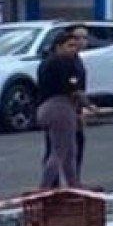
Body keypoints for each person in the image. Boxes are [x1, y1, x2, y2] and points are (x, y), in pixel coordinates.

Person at [37, 25, 91, 189]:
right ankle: (45, 188)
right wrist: (90, 106)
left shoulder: (48, 61)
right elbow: (74, 90)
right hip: (59, 108)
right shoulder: (62, 62)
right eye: (71, 45)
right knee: (59, 152)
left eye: (82, 40)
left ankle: (73, 185)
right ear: (58, 46)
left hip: (50, 108)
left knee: (70, 150)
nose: (75, 48)